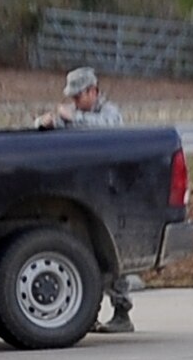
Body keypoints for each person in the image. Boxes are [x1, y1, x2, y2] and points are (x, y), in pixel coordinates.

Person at [35, 67, 136, 334]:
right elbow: (55, 124)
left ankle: (122, 311)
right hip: (83, 193)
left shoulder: (108, 112)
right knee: (85, 252)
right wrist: (46, 123)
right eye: (74, 97)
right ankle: (88, 312)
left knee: (110, 252)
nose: (76, 102)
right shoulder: (75, 115)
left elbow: (110, 127)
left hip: (111, 192)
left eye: (79, 96)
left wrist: (73, 118)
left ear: (93, 91)